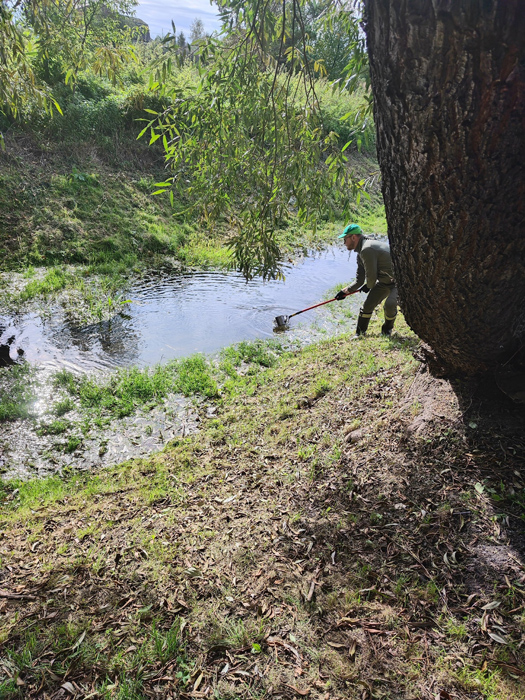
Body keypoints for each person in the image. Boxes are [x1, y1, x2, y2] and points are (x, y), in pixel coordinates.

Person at [334, 223, 398, 336]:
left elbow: (371, 278)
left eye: (345, 239)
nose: (344, 243)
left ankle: (387, 330)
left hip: (398, 282)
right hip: (384, 282)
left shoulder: (367, 249)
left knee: (390, 304)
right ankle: (359, 334)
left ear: (353, 237)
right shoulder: (360, 253)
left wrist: (368, 286)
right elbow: (360, 279)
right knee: (367, 305)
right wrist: (346, 291)